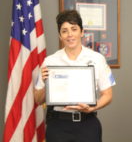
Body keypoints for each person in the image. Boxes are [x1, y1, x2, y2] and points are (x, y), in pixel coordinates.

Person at [34, 10, 116, 142]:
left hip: (87, 124)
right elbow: (38, 100)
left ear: (82, 32)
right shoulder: (49, 61)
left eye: (74, 29)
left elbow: (108, 95)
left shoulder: (97, 59)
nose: (70, 35)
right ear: (60, 35)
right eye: (64, 31)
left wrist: (92, 108)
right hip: (58, 125)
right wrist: (46, 83)